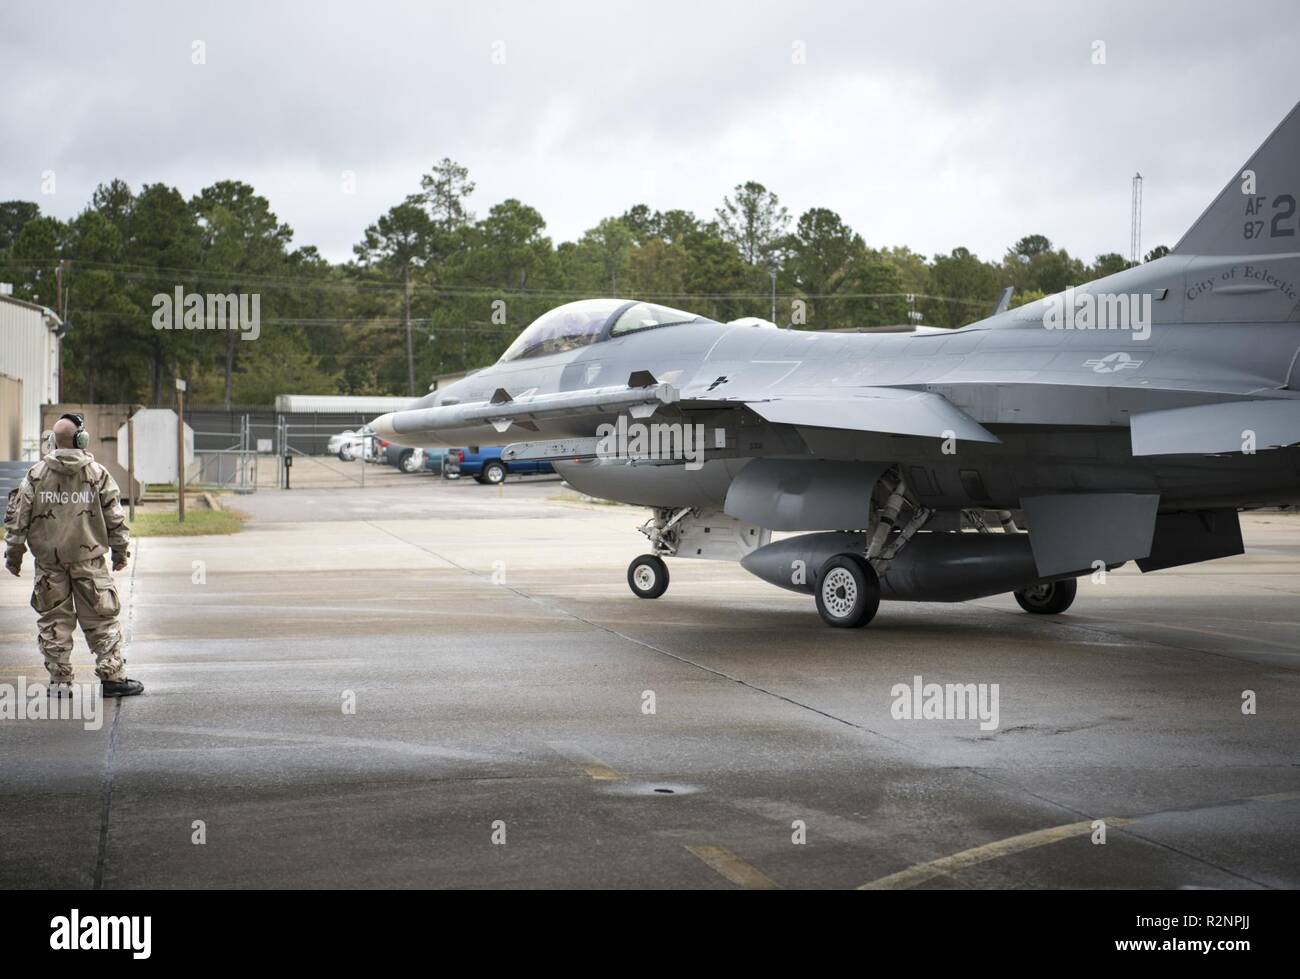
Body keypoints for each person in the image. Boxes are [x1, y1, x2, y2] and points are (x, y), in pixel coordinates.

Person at [3, 414, 143, 697]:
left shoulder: (36, 475)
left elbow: (18, 520)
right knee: (101, 618)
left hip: (49, 564)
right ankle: (112, 678)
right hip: (89, 562)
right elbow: (114, 517)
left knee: (54, 621)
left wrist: (13, 556)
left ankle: (59, 682)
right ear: (81, 439)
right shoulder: (97, 474)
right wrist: (120, 551)